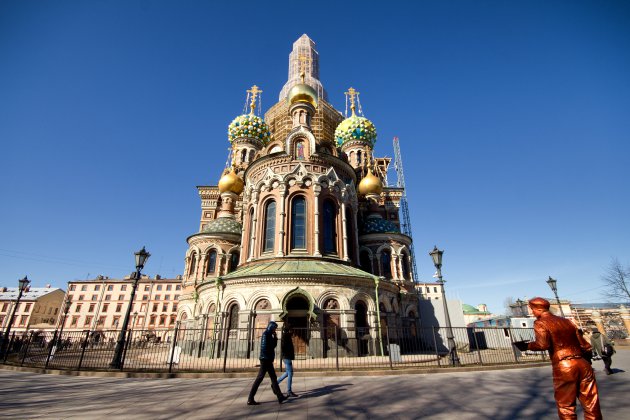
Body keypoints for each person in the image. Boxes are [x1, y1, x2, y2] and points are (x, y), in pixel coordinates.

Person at [514, 297, 602, 420]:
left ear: (538, 309)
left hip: (564, 365)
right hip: (583, 363)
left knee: (566, 405)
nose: (532, 313)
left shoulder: (540, 323)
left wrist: (526, 346)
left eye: (532, 309)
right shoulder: (567, 322)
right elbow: (585, 346)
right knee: (591, 402)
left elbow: (543, 344)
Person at [247, 321, 287, 405]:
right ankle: (250, 398)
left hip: (267, 360)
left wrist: (275, 338)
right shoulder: (266, 335)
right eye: (275, 328)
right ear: (271, 327)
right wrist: (268, 357)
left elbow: (273, 346)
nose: (275, 330)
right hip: (265, 360)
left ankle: (280, 397)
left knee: (273, 377)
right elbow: (265, 348)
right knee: (260, 378)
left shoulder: (269, 335)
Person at [277, 323, 298, 397]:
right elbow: (284, 348)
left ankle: (275, 384)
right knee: (290, 374)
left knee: (288, 372)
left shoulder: (286, 336)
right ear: (289, 330)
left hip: (286, 357)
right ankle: (289, 391)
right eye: (292, 330)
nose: (293, 331)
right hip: (287, 357)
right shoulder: (286, 337)